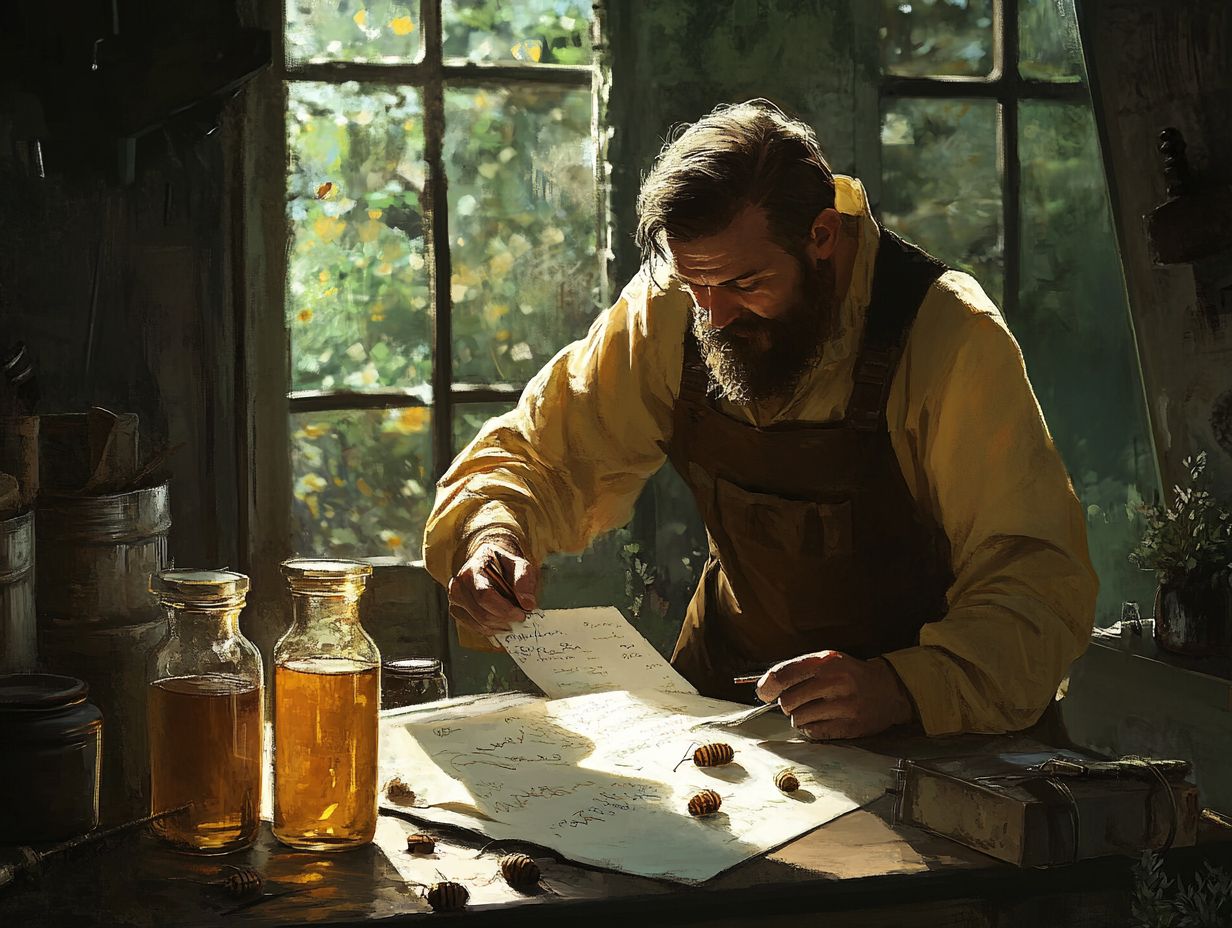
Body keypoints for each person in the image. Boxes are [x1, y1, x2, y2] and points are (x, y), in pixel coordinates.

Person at [424, 99, 1098, 740]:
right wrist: (493, 536)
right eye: (696, 288)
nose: (713, 317)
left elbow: (1036, 582)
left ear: (822, 237)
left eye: (745, 285)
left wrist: (901, 687)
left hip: (927, 732)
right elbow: (541, 453)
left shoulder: (950, 335)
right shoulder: (673, 308)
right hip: (731, 708)